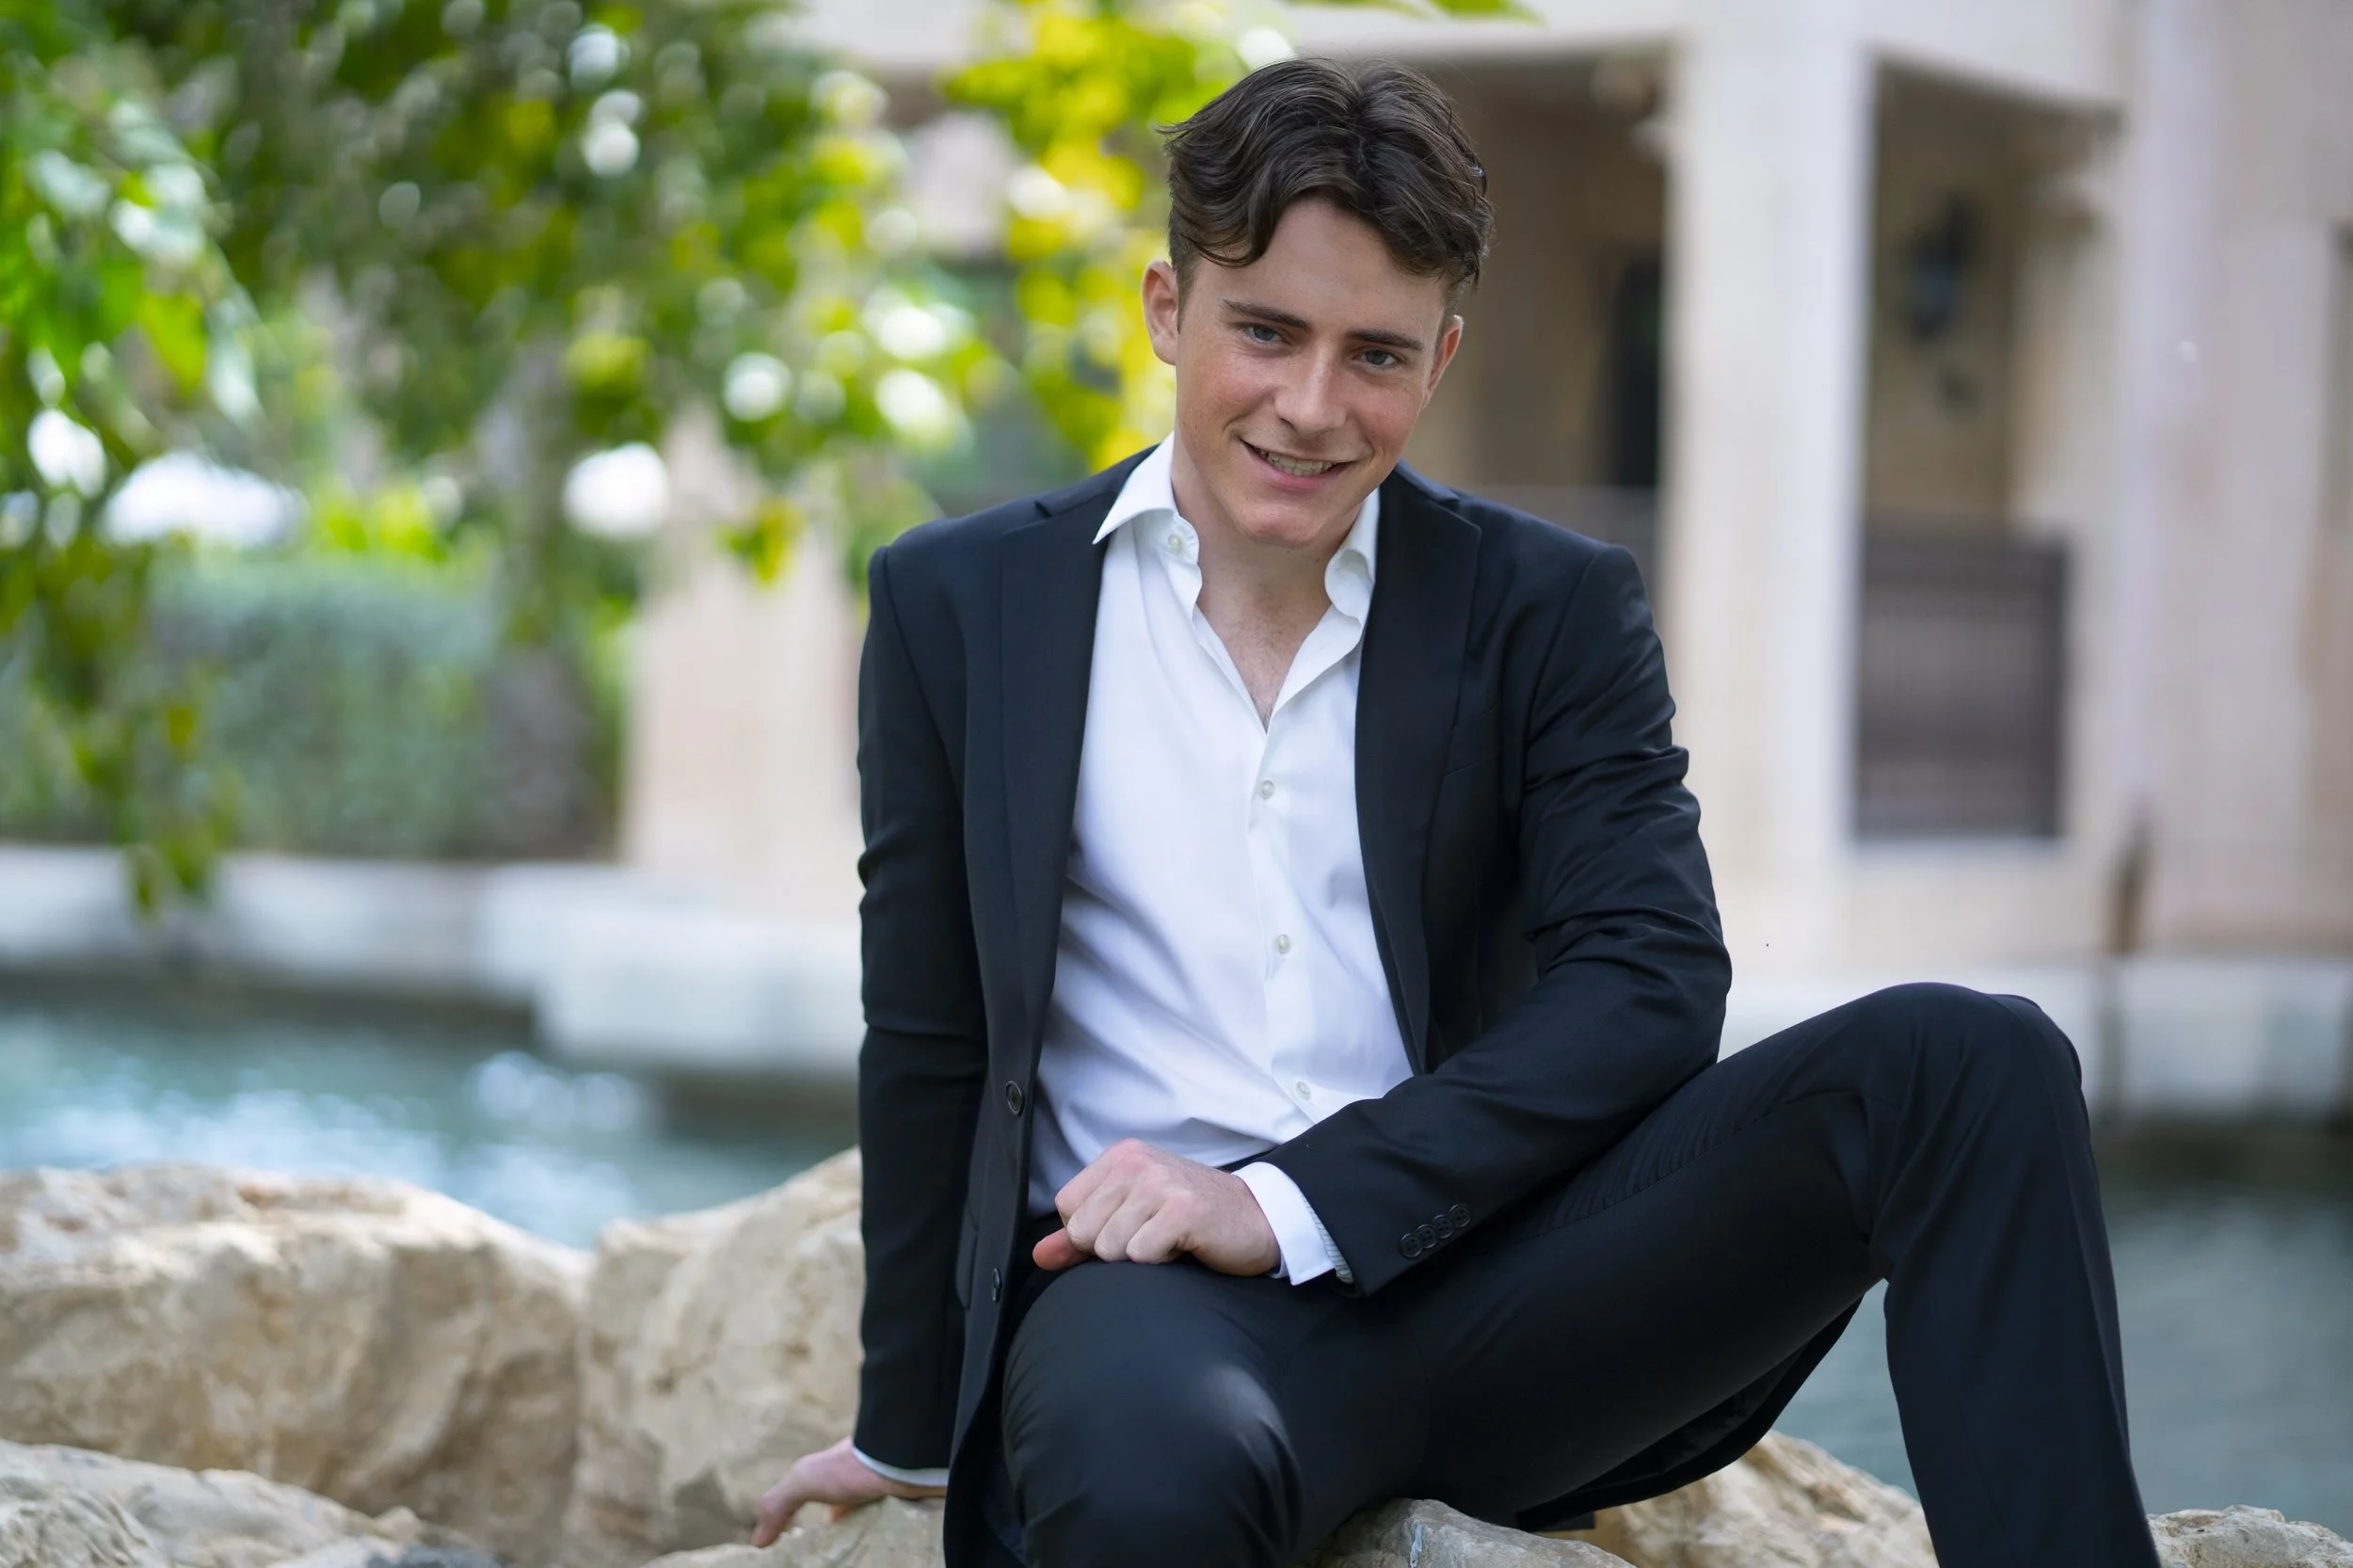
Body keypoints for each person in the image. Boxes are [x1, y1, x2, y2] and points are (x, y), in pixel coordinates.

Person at [750, 56, 2162, 1568]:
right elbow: (928, 1036)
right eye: (1266, 332)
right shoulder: (959, 605)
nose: (1310, 405)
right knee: (1144, 1497)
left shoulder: (1551, 606)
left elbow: (1651, 981)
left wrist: (1289, 1198)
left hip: (1514, 1283)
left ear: (1440, 361)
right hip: (1154, 1322)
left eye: (1375, 355)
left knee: (1974, 1061)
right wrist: (907, 1424)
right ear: (1170, 310)